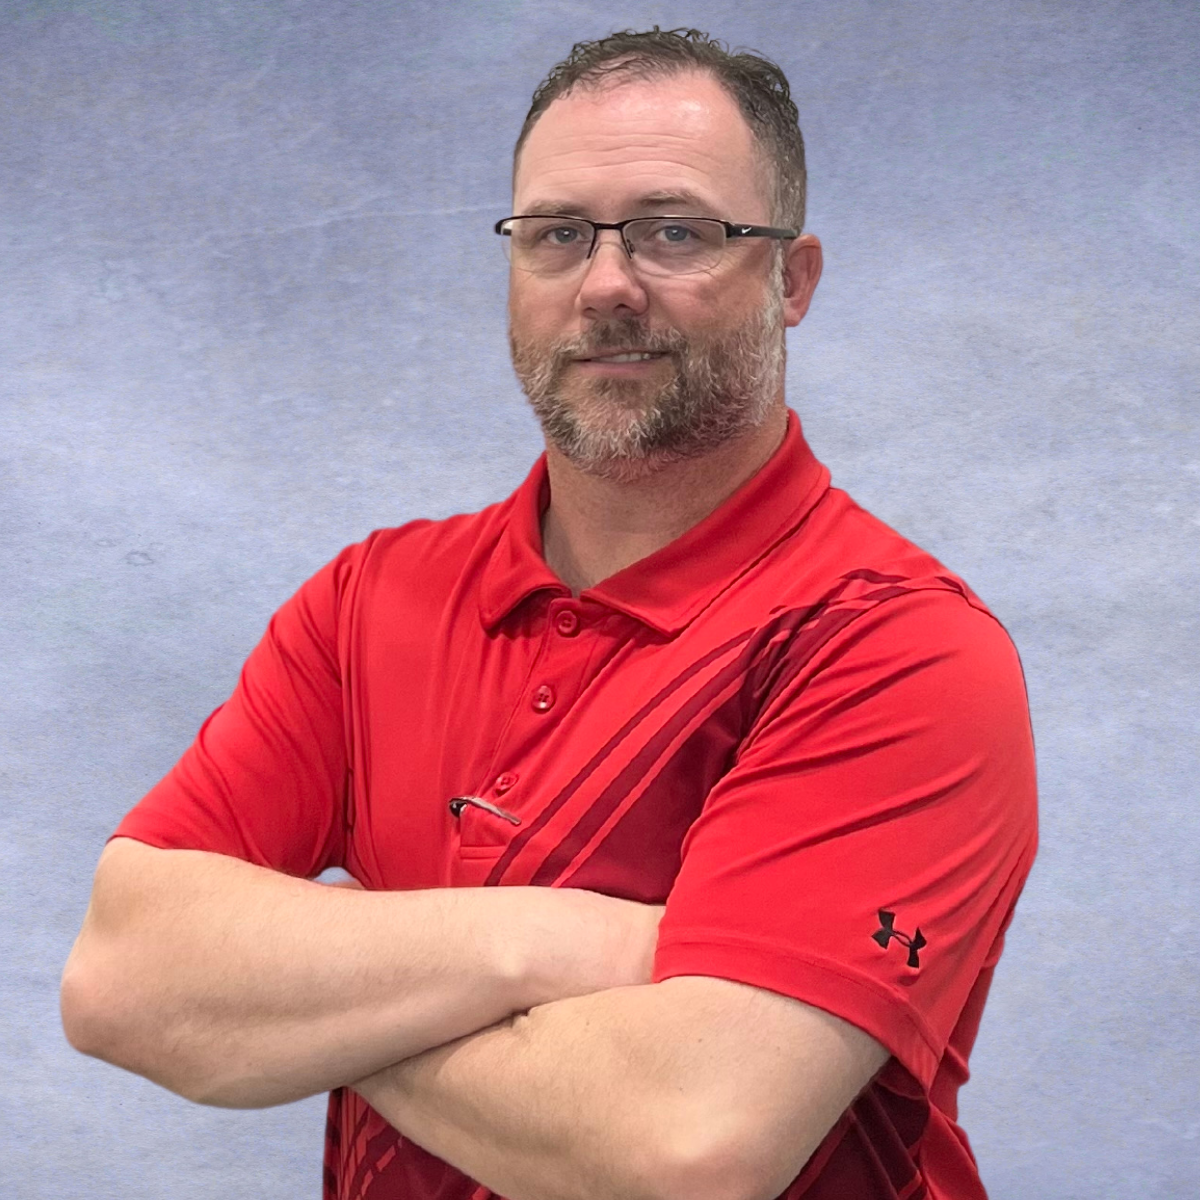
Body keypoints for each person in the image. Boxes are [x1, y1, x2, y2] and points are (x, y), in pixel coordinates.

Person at [60, 27, 1037, 1200]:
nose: (609, 282)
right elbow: (121, 984)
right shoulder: (369, 601)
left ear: (793, 279)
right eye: (558, 234)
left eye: (677, 231)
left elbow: (686, 1147)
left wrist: (327, 991)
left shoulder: (898, 647)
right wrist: (564, 942)